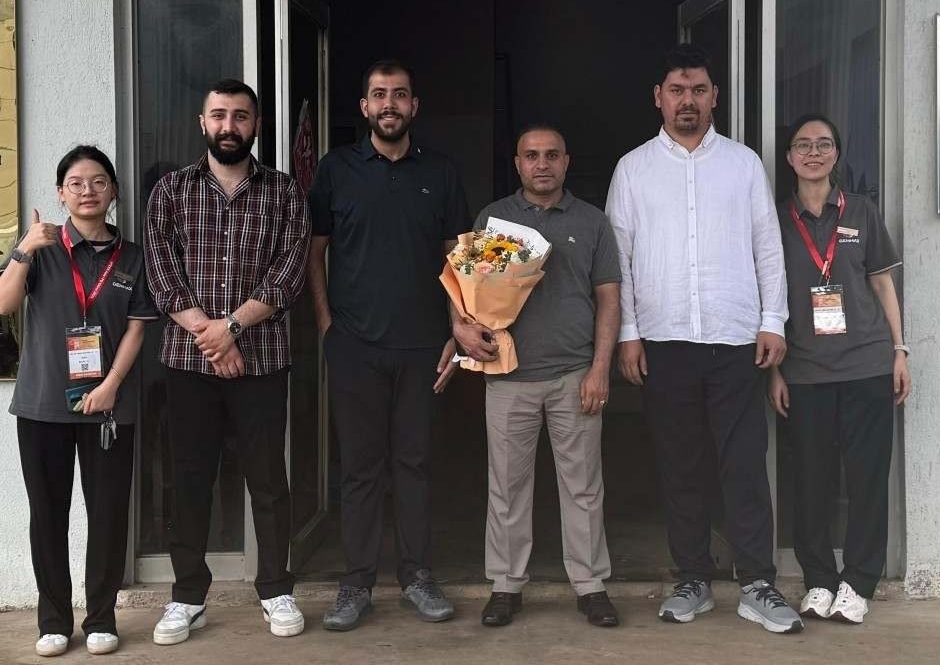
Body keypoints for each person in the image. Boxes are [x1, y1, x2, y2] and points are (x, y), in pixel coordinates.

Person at [605, 44, 803, 634]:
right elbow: (621, 259)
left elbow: (768, 247)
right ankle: (691, 577)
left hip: (734, 339)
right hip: (663, 341)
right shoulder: (633, 168)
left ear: (715, 97)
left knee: (744, 464)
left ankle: (758, 582)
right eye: (676, 90)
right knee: (681, 463)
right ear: (658, 98)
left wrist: (773, 321)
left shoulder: (743, 165)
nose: (687, 101)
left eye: (698, 90)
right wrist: (629, 334)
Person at [143, 79, 311, 645]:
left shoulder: (285, 192)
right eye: (219, 116)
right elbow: (163, 273)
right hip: (188, 366)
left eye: (241, 116)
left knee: (268, 480)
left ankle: (276, 588)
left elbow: (288, 275)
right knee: (190, 480)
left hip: (262, 362)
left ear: (256, 125)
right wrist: (211, 338)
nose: (229, 126)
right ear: (202, 122)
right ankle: (187, 596)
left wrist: (232, 328)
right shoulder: (169, 191)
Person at [309, 60, 469, 631]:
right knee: (360, 469)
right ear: (364, 107)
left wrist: (458, 329)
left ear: (414, 107)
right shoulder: (337, 169)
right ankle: (356, 584)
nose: (390, 105)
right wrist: (327, 324)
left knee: (416, 463)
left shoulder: (441, 172)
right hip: (354, 345)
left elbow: (459, 257)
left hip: (425, 345)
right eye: (379, 95)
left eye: (400, 95)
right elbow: (315, 250)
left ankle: (418, 577)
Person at [0, 146, 157, 657]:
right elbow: (3, 303)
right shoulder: (41, 249)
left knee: (108, 513)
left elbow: (136, 330)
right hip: (43, 404)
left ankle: (102, 618)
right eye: (75, 182)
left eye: (97, 181)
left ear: (113, 191)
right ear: (60, 192)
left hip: (109, 406)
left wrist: (111, 383)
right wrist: (24, 247)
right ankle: (53, 620)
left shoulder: (132, 255)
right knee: (48, 513)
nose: (87, 190)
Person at [471, 125, 621, 628]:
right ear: (517, 163)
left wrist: (600, 368)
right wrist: (465, 333)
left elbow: (608, 299)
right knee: (508, 487)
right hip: (509, 376)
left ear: (566, 161)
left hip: (575, 374)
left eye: (551, 155)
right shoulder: (495, 220)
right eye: (531, 155)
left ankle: (590, 584)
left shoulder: (592, 222)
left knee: (582, 487)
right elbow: (471, 297)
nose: (542, 164)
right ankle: (506, 585)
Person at [768, 113, 911, 625]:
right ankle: (819, 580)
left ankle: (858, 581)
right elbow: (769, 300)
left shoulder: (863, 213)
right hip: (805, 371)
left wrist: (900, 350)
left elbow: (881, 284)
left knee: (868, 477)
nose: (813, 152)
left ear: (836, 154)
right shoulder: (775, 221)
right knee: (811, 480)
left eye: (823, 144)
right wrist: (774, 371)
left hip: (868, 365)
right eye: (802, 145)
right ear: (788, 157)